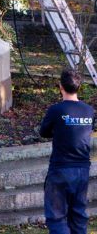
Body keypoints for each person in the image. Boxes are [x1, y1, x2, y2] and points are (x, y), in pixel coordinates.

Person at [39, 67, 95, 234]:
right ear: (79, 87)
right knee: (78, 216)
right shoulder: (89, 111)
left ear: (60, 86)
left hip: (60, 169)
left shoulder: (56, 110)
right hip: (82, 170)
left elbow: (43, 132)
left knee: (56, 217)